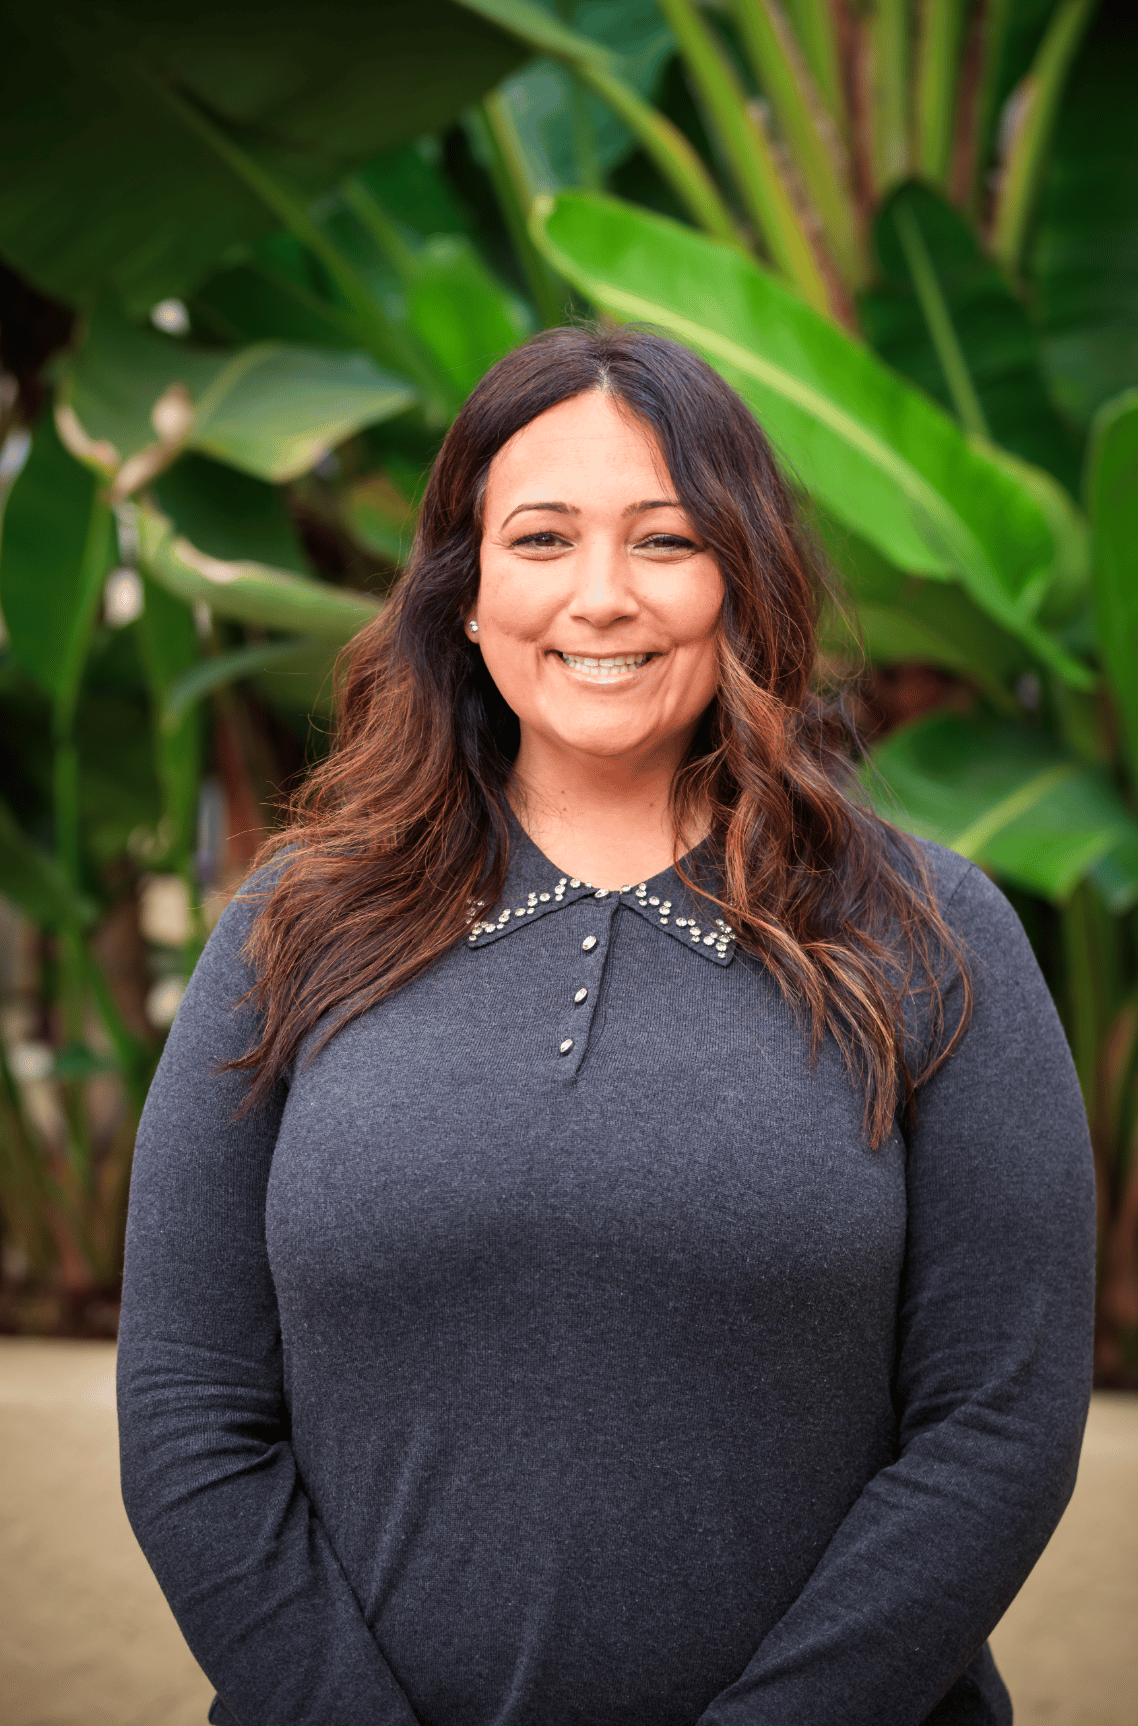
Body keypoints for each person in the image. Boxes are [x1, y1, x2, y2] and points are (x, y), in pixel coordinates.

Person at [117, 325, 1095, 1726]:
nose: (600, 596)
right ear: (462, 591)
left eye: (664, 540)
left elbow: (997, 1425)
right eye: (539, 538)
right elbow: (188, 1410)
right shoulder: (291, 931)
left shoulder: (925, 932)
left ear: (740, 580)